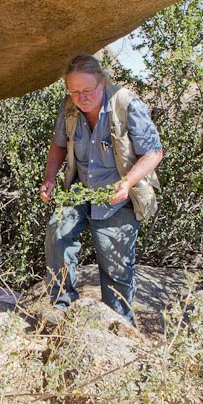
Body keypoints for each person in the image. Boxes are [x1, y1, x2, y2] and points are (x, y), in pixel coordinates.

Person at [39, 54, 163, 326]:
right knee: (57, 233)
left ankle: (119, 325)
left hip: (117, 198)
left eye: (87, 90)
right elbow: (59, 145)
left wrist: (127, 183)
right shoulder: (70, 109)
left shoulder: (127, 105)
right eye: (73, 91)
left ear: (103, 82)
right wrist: (50, 178)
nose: (81, 98)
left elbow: (153, 153)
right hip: (81, 191)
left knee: (115, 266)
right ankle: (61, 307)